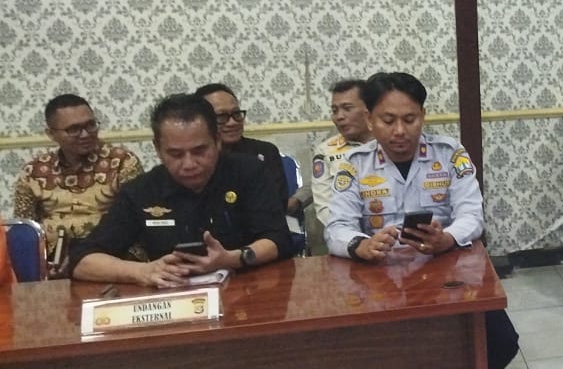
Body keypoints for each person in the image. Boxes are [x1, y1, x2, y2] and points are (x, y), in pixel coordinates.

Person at [324, 72, 517, 369]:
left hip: (446, 270)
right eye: (388, 120)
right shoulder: (354, 164)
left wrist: (447, 238)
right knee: (364, 356)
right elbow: (336, 227)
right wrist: (361, 245)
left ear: (423, 115)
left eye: (410, 119)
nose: (400, 131)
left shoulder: (450, 154)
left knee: (502, 342)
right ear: (369, 119)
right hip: (380, 278)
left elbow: (472, 216)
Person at [67, 94, 291, 287]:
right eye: (176, 154)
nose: (189, 164)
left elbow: (278, 239)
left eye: (200, 151)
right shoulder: (141, 191)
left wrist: (232, 259)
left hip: (248, 291)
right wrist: (142, 271)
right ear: (158, 149)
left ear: (217, 141)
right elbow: (81, 260)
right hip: (173, 298)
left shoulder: (249, 172)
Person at [12, 94, 143, 273]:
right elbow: (24, 231)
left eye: (90, 125)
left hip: (113, 259)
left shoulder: (122, 163)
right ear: (51, 134)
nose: (85, 134)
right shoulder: (33, 172)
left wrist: (83, 257)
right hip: (52, 265)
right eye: (73, 129)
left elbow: (135, 220)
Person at [194, 83, 291, 212]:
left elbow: (277, 204)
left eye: (236, 114)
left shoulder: (265, 152)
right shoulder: (193, 157)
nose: (233, 122)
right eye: (221, 116)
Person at [311, 79, 373, 227]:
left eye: (347, 108)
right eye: (334, 111)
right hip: (345, 233)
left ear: (369, 109)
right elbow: (324, 207)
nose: (339, 116)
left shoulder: (390, 144)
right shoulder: (325, 151)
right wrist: (353, 235)